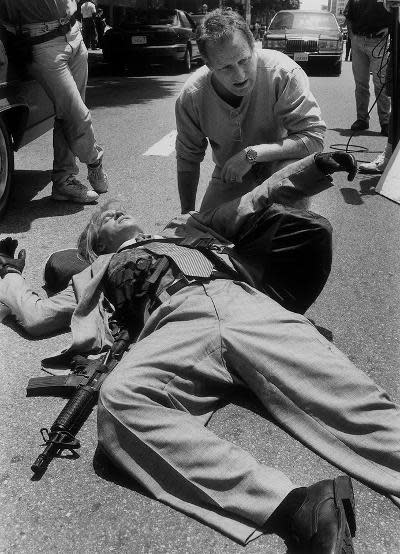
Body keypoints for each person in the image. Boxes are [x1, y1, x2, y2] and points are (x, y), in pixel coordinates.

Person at [3, 153, 400, 552]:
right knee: (120, 399)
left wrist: (313, 167)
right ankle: (299, 507)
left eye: (120, 210)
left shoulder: (186, 227)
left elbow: (255, 199)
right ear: (97, 243)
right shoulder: (95, 273)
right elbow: (35, 316)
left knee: (351, 398)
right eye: (106, 218)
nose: (118, 212)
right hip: (172, 326)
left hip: (240, 301)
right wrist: (9, 273)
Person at [175, 9, 326, 214]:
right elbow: (187, 160)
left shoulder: (284, 74)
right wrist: (186, 215)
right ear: (208, 65)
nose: (240, 75)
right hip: (231, 175)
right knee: (208, 232)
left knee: (285, 207)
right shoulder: (192, 96)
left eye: (244, 60)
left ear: (254, 47)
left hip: (278, 166)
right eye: (226, 68)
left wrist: (252, 154)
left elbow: (313, 139)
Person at [0, 0, 108, 204]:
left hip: (74, 32)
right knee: (77, 114)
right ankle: (95, 160)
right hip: (42, 43)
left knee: (65, 113)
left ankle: (63, 181)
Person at [344, 0, 391, 136]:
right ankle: (362, 119)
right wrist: (352, 36)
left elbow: (396, 13)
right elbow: (348, 16)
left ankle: (385, 122)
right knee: (361, 84)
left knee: (380, 83)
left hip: (379, 41)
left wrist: (390, 29)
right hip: (358, 42)